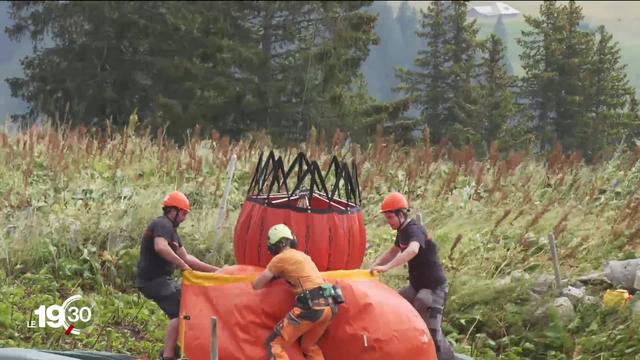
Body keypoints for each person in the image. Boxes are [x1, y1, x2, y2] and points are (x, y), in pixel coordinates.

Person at [369, 192, 454, 360]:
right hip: (416, 286)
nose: (389, 222)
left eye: (390, 217)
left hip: (433, 288)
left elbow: (413, 250)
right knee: (396, 302)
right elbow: (392, 251)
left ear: (401, 214)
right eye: (387, 218)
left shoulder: (414, 230)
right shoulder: (402, 231)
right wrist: (373, 267)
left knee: (429, 323)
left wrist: (387, 268)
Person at [135, 191, 220, 360]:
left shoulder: (171, 231)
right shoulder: (162, 224)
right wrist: (183, 266)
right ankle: (168, 355)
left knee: (187, 302)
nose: (184, 218)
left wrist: (217, 271)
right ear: (172, 211)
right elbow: (160, 247)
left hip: (162, 280)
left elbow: (187, 258)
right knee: (180, 311)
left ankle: (173, 348)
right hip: (153, 280)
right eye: (183, 213)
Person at [253, 224, 343, 360]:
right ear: (291, 239)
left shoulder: (279, 259)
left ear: (274, 245)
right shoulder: (302, 255)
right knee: (308, 346)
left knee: (275, 343)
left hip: (311, 306)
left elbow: (258, 285)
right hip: (330, 304)